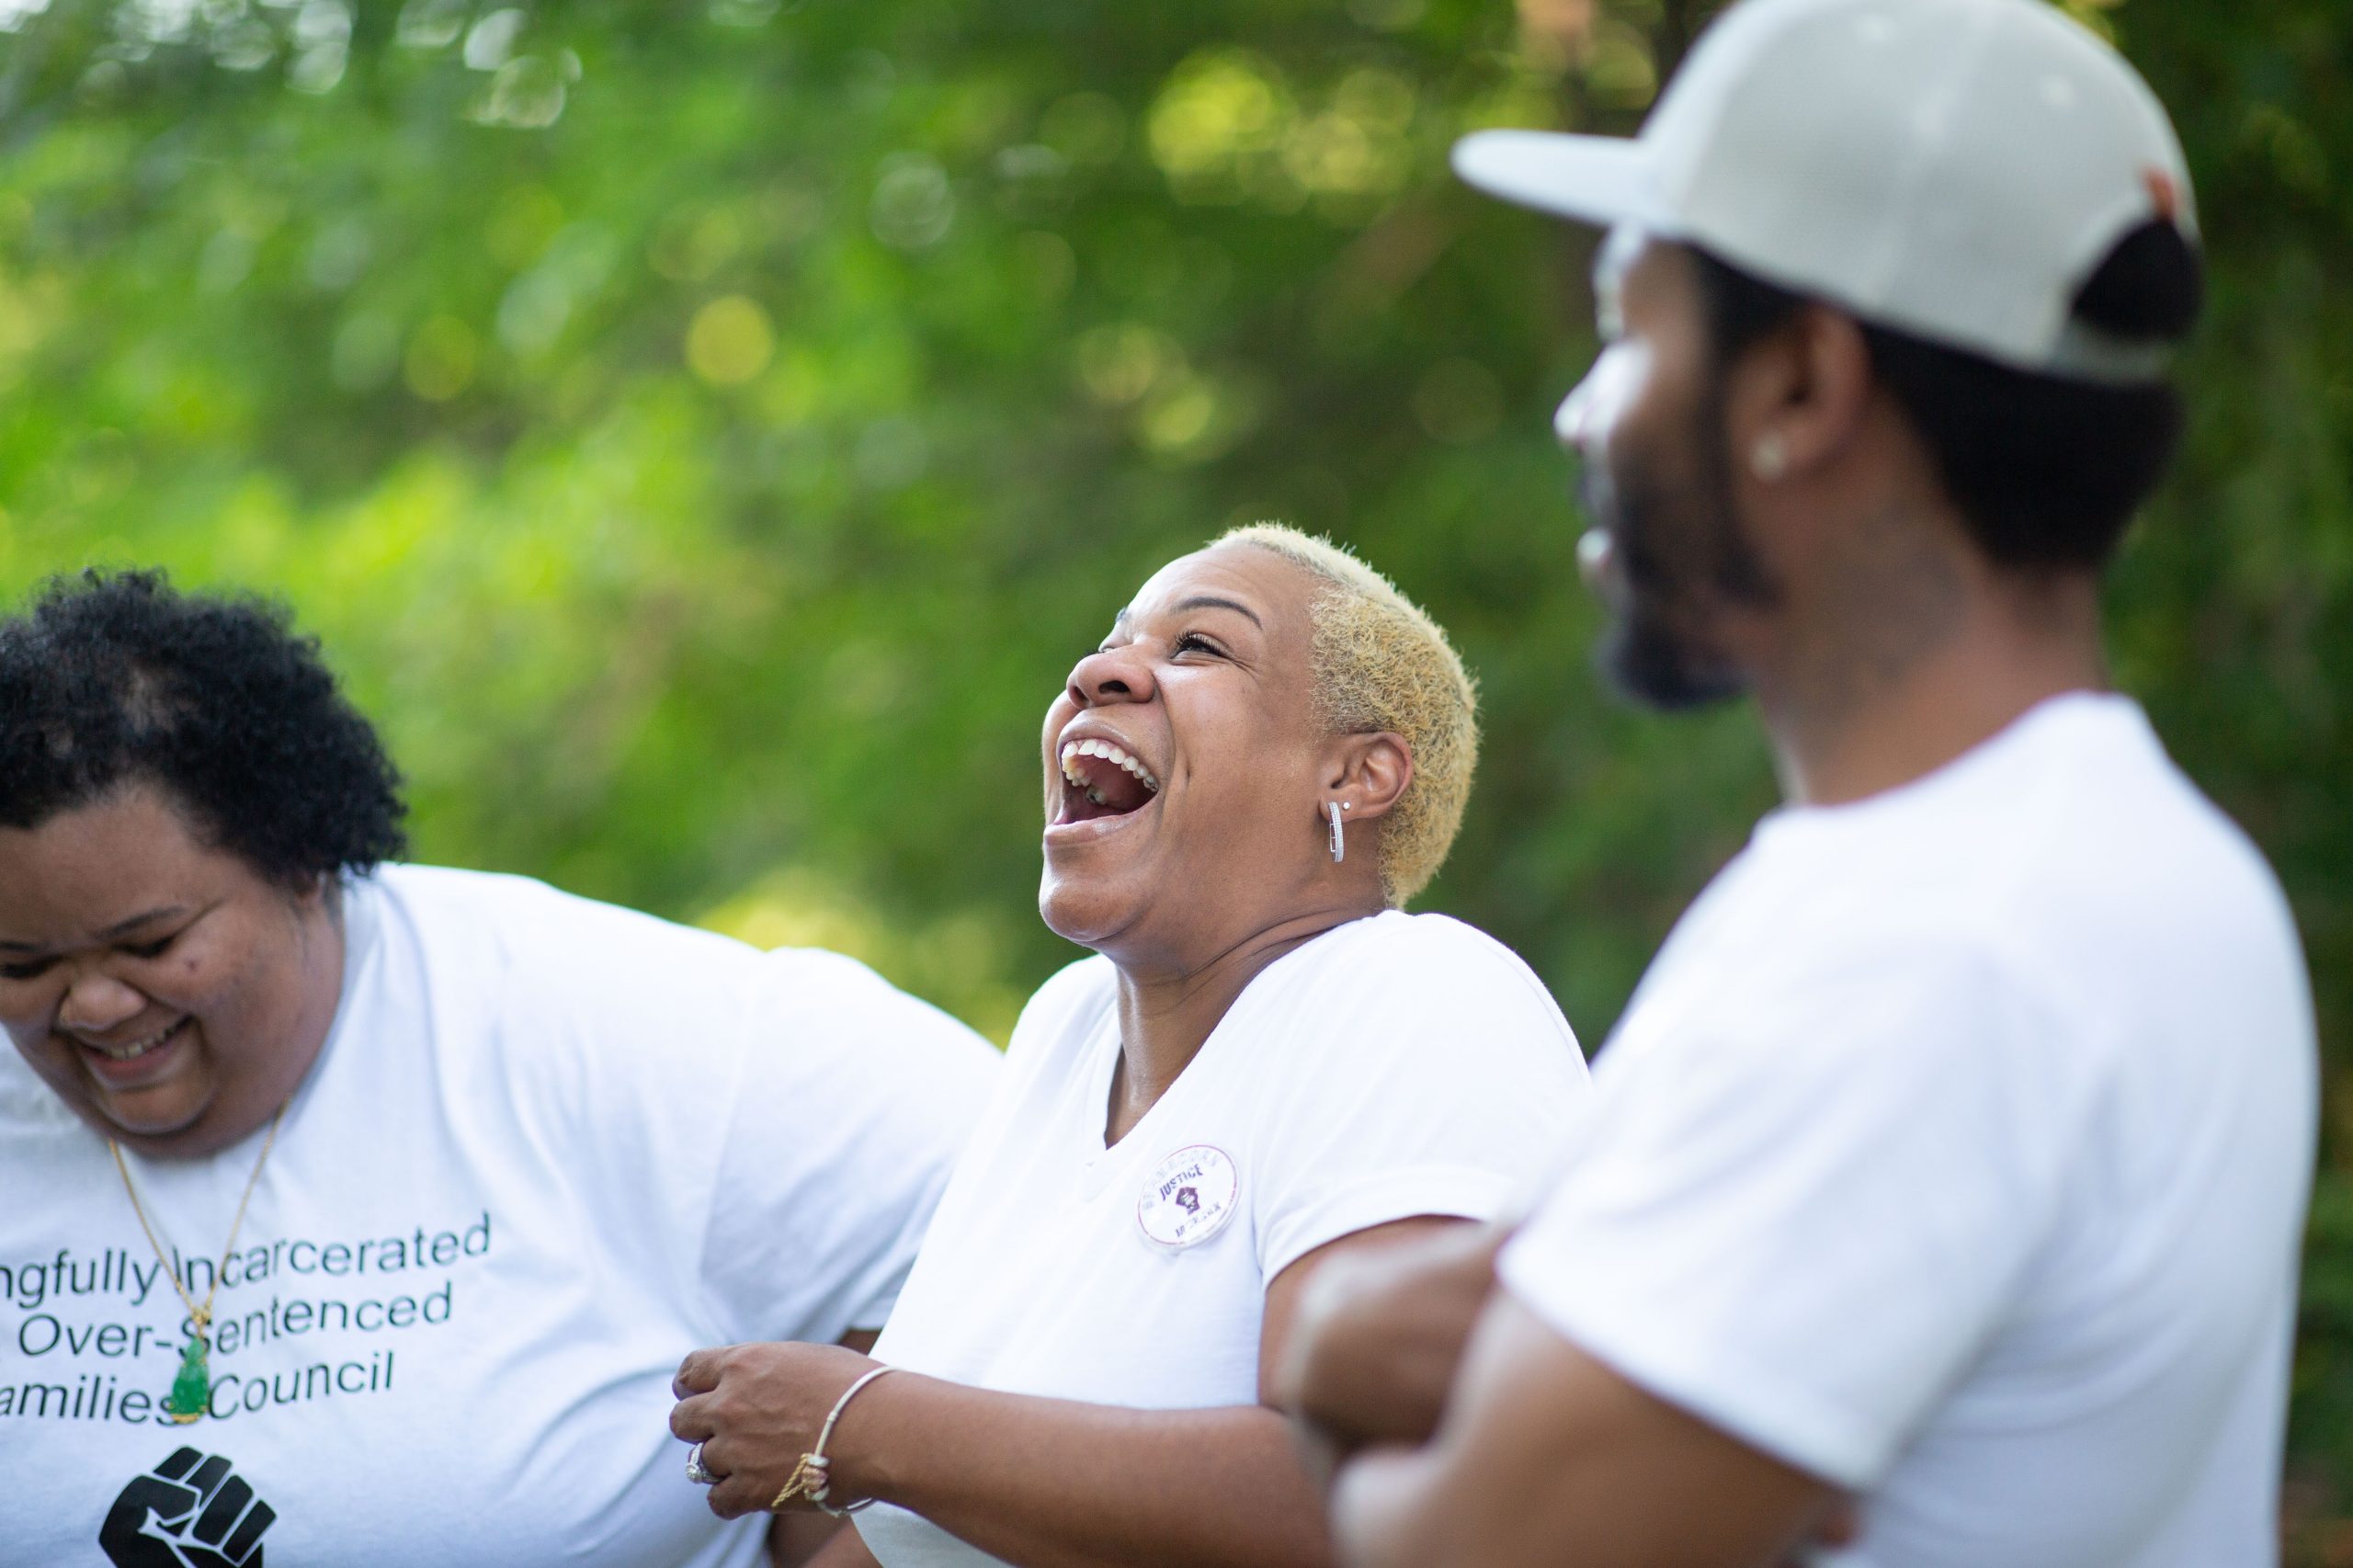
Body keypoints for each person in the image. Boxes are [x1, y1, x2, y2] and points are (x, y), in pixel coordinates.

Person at [1283, 0, 2319, 1564]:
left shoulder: (1921, 952)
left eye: (1632, 329)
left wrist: (1331, 1356)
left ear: (1799, 390)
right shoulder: (2145, 865)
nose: (1583, 409)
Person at [0, 570, 1000, 1568]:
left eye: (151, 941)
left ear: (300, 860)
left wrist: (860, 1506)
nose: (91, 1003)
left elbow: (1047, 1237)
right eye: (22, 963)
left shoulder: (618, 1026)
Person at [667, 524, 1592, 1567]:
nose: (1097, 671)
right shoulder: (1064, 1031)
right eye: (1112, 642)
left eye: (1198, 648)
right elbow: (931, 1537)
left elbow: (1379, 1497)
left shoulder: (1413, 990)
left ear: (1357, 773)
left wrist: (861, 1426)